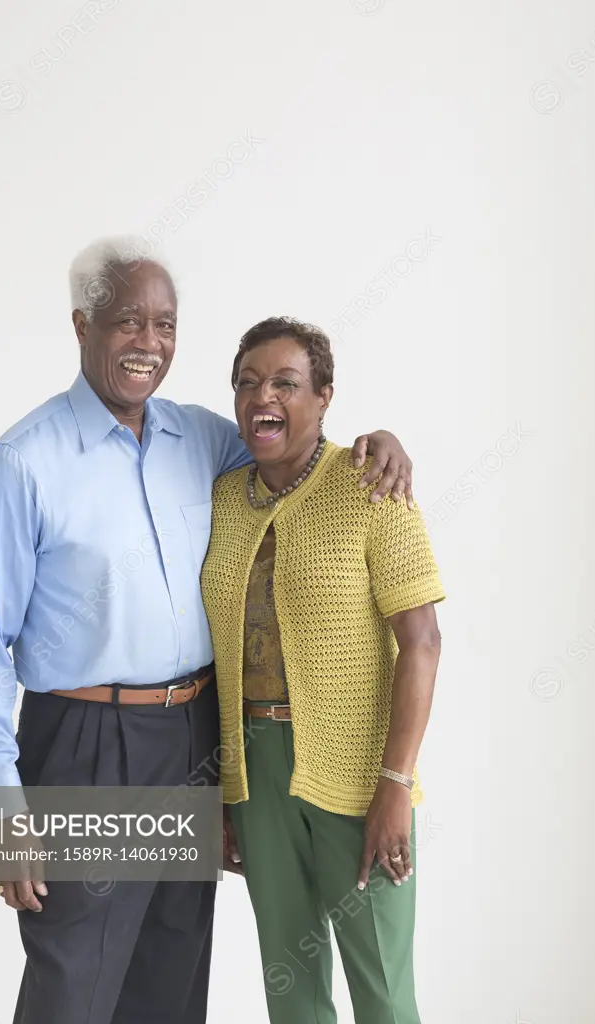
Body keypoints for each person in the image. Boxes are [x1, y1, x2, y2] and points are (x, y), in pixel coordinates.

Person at [0, 237, 416, 1024]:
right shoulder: (21, 463)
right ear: (81, 325)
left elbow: (295, 448)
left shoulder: (201, 439)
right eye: (129, 321)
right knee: (73, 983)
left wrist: (381, 442)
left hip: (196, 736)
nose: (150, 344)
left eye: (166, 325)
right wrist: (2, 808)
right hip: (84, 742)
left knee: (169, 975)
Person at [201, 316, 445, 1024]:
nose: (261, 397)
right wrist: (222, 790)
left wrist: (395, 786)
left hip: (359, 773)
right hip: (255, 774)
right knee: (291, 987)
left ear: (325, 395)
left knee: (383, 993)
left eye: (285, 382)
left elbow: (423, 641)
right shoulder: (222, 497)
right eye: (247, 383)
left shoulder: (372, 484)